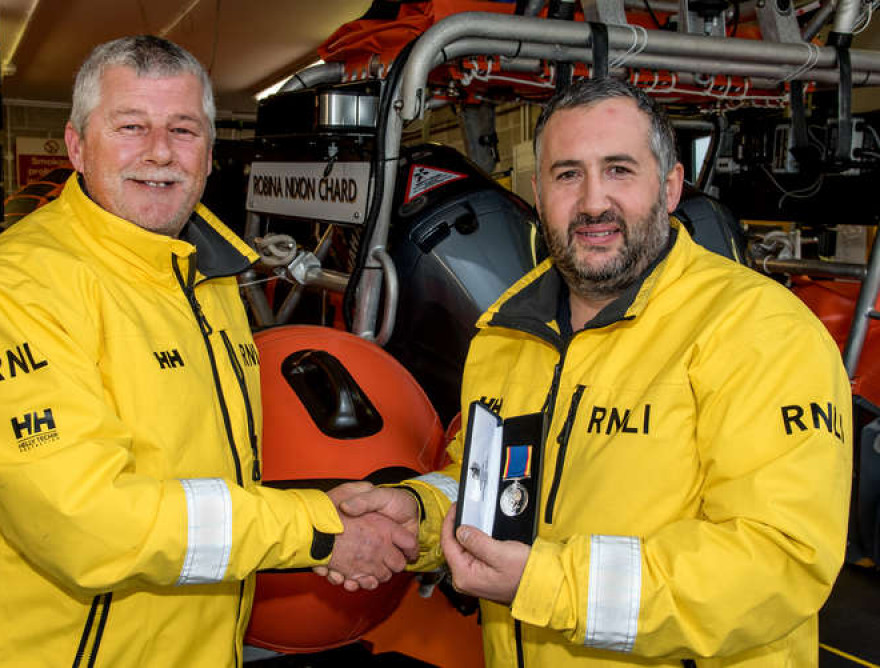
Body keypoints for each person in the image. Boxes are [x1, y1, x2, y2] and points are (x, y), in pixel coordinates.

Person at [326, 78, 853, 667]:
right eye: (568, 174)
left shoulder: (759, 332)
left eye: (620, 170)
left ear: (671, 187)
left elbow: (778, 562)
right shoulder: (507, 330)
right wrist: (421, 512)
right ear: (536, 192)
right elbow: (498, 484)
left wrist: (549, 585)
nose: (593, 202)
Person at [0, 35, 414, 668]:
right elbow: (86, 521)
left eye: (183, 130)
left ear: (209, 154)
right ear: (78, 146)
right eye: (130, 126)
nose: (159, 152)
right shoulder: (14, 290)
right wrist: (316, 529)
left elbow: (203, 478)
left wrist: (332, 509)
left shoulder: (206, 281)